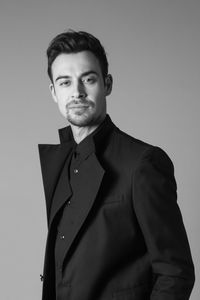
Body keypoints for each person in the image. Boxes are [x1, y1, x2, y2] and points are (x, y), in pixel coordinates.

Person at [38, 30, 195, 300]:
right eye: (65, 82)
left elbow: (175, 272)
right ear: (54, 92)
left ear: (107, 84)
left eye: (88, 79)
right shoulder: (61, 162)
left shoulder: (143, 163)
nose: (77, 92)